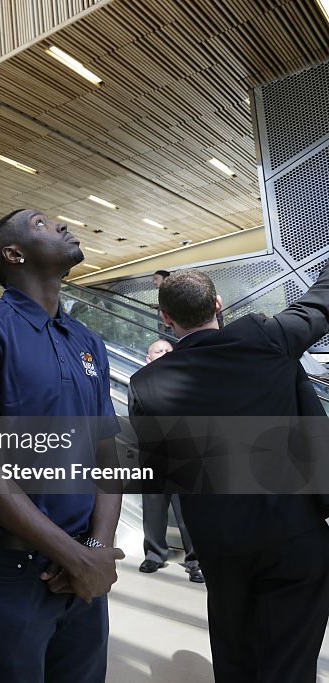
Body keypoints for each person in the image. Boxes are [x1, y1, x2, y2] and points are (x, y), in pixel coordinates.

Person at [0, 209, 125, 683]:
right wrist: (75, 556)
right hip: (12, 570)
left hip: (83, 565)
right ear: (14, 253)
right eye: (42, 223)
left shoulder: (88, 340)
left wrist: (96, 549)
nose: (63, 224)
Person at [129, 268, 329, 682]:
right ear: (218, 304)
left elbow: (160, 468)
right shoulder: (264, 337)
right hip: (295, 532)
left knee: (235, 649)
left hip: (221, 544)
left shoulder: (146, 383)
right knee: (292, 657)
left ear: (166, 318)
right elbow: (320, 303)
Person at [134, 338, 204, 583]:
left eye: (167, 350)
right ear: (148, 358)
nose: (163, 353)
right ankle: (154, 554)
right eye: (158, 351)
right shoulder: (138, 381)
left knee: (189, 511)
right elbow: (136, 417)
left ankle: (196, 561)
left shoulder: (188, 379)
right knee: (153, 509)